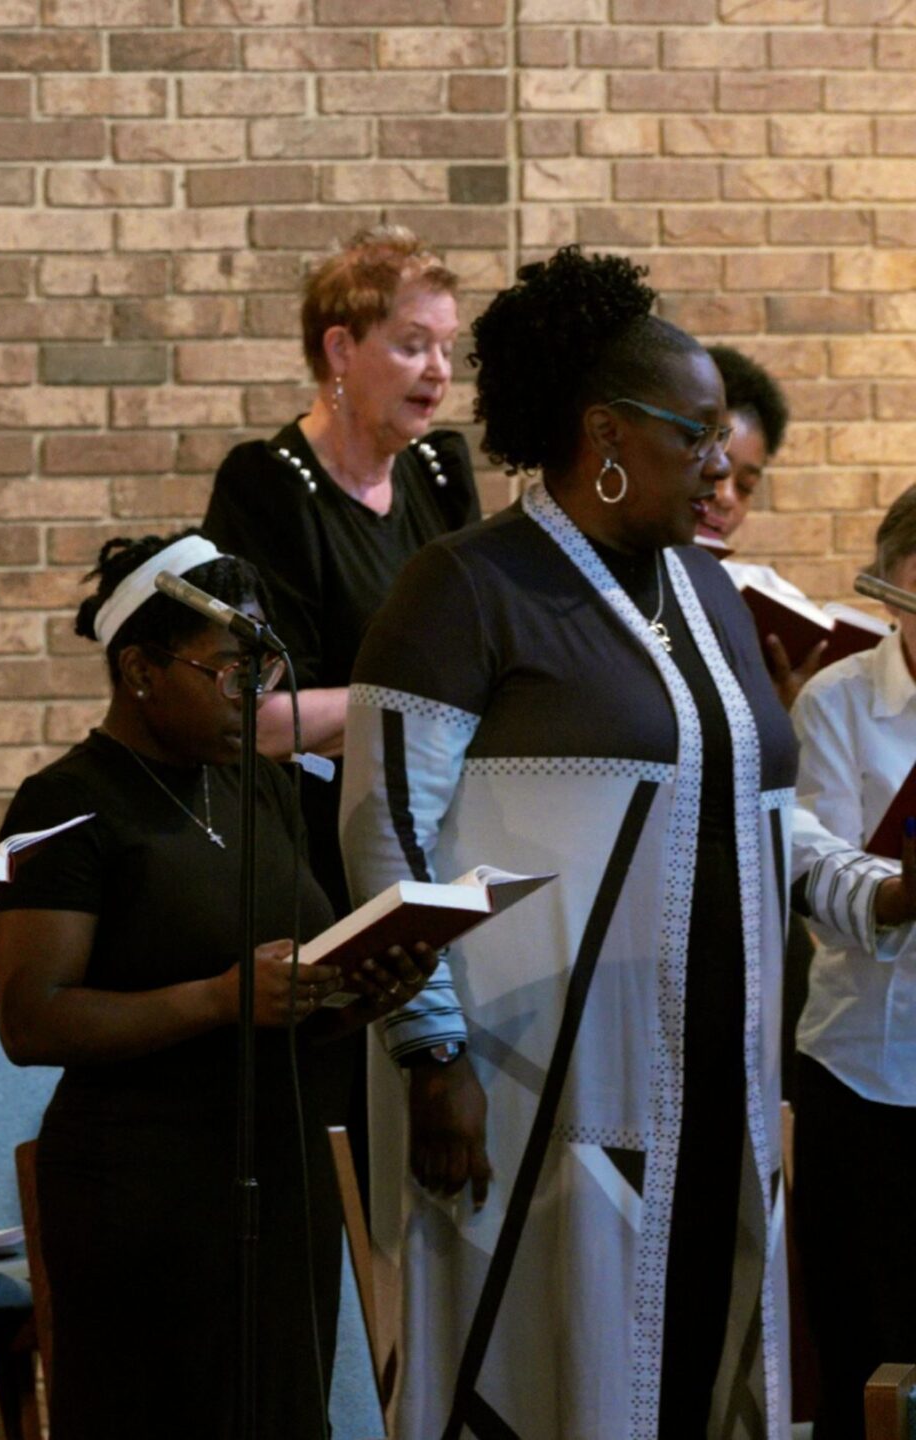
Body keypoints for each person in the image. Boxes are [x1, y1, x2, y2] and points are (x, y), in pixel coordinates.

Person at [341, 247, 795, 1437]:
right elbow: (387, 833)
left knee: (698, 1362)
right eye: (694, 436)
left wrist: (877, 898)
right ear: (602, 432)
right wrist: (428, 1057)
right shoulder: (463, 586)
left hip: (715, 1085)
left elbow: (759, 824)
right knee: (552, 1376)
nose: (715, 469)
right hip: (535, 1079)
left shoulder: (709, 594)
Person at [0, 531, 433, 1438]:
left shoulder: (256, 789)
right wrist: (216, 998)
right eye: (230, 671)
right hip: (140, 1192)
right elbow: (31, 1023)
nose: (257, 697)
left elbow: (285, 987)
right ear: (142, 668)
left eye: (265, 671)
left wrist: (360, 993)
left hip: (281, 1163)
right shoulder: (66, 803)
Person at [200, 224, 476, 909]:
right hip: (310, 851)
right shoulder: (268, 485)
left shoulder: (441, 471)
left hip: (436, 830)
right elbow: (255, 719)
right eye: (414, 346)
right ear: (340, 348)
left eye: (447, 348)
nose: (440, 370)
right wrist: (426, 710)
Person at [783, 486, 916, 1440]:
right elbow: (815, 864)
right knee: (870, 1341)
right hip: (864, 1069)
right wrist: (901, 894)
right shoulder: (840, 699)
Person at [703, 344, 822, 705]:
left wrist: (794, 709)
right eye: (716, 469)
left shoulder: (769, 593)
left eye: (745, 486)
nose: (725, 497)